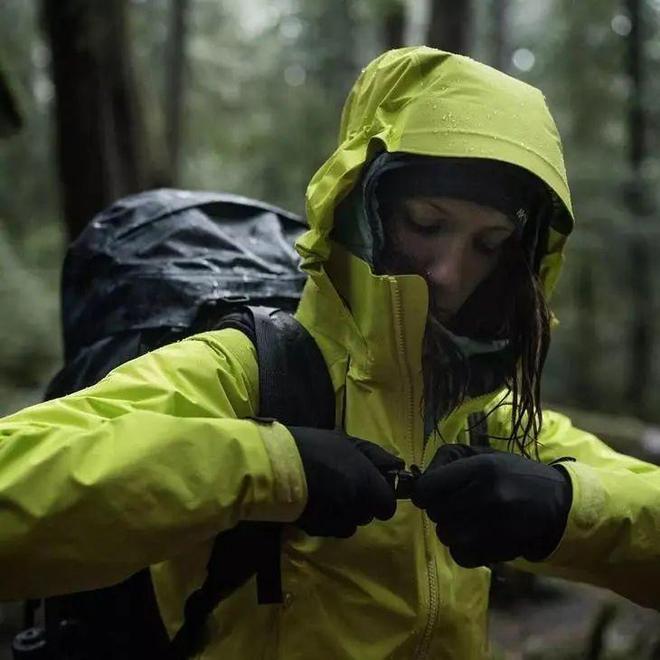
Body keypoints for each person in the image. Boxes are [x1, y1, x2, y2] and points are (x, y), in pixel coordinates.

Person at [1, 46, 659, 659]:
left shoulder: (490, 416)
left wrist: (568, 507)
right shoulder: (248, 373)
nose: (452, 274)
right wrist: (262, 466)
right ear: (357, 207)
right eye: (427, 226)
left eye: (490, 244)